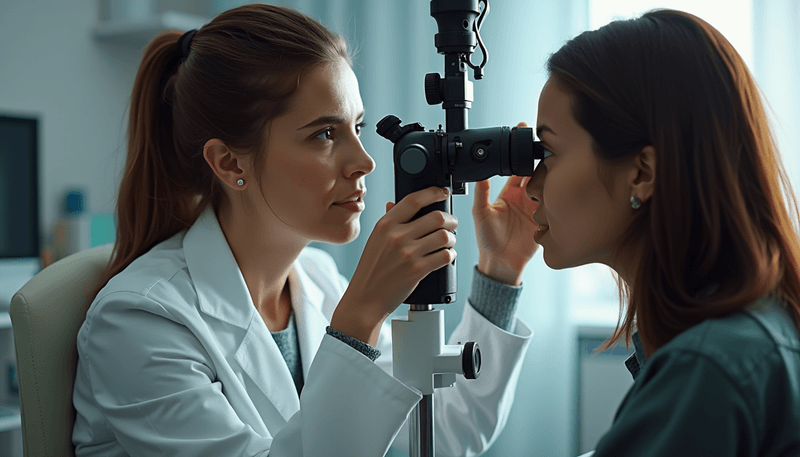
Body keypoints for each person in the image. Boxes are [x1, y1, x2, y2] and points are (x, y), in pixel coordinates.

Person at [71, 4, 537, 457]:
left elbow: (443, 431)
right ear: (230, 162)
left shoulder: (317, 280)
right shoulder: (138, 321)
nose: (366, 161)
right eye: (324, 134)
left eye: (357, 126)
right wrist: (360, 318)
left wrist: (500, 272)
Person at [524, 9, 800, 455]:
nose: (529, 187)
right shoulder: (752, 331)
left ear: (643, 172)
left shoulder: (706, 369)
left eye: (549, 151)